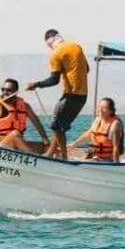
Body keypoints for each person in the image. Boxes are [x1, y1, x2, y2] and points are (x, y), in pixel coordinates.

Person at [26, 29, 89, 160]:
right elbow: (87, 69)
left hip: (70, 95)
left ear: (50, 41)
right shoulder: (76, 46)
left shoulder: (56, 53)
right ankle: (50, 154)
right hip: (83, 96)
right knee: (60, 127)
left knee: (55, 125)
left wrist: (35, 84)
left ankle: (63, 157)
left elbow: (53, 80)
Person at [0, 79, 49, 153]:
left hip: (16, 146)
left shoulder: (25, 106)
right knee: (15, 134)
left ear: (16, 91)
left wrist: (46, 140)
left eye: (8, 90)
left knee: (48, 147)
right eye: (3, 89)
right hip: (0, 146)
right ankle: (33, 160)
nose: (5, 92)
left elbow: (37, 123)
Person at [67, 98, 124, 162]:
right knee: (64, 151)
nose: (100, 110)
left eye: (104, 108)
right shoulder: (97, 119)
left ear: (111, 111)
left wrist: (116, 165)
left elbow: (116, 146)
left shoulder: (115, 124)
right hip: (94, 156)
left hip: (107, 159)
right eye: (99, 107)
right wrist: (73, 144)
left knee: (75, 158)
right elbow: (89, 133)